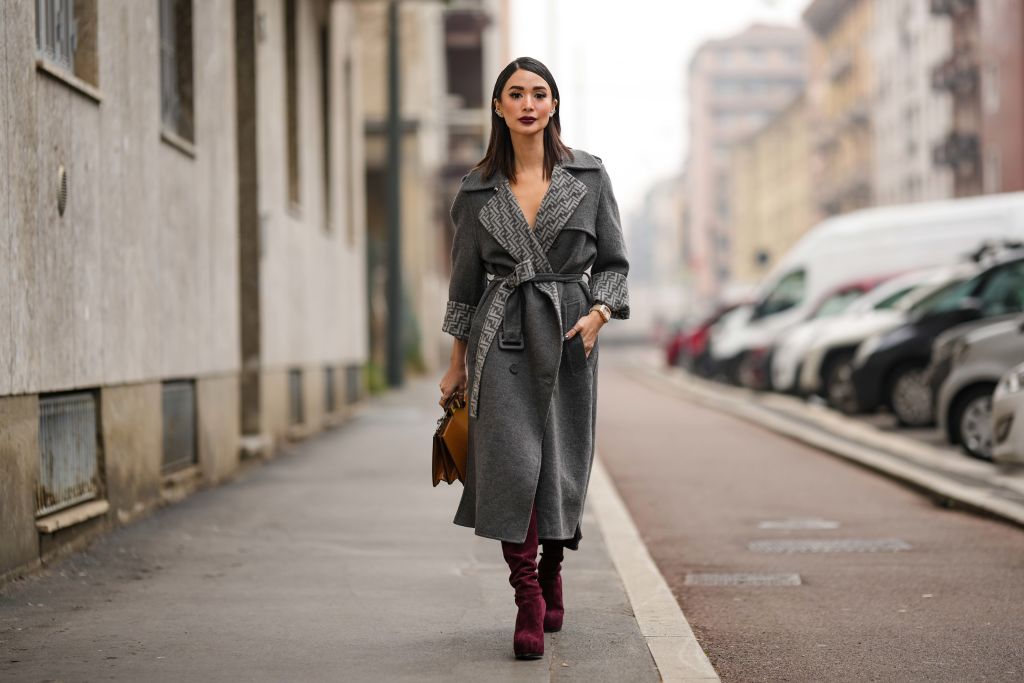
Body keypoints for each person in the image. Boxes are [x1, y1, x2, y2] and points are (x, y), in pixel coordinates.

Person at [438, 57, 630, 660]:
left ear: (552, 105)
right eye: (514, 94)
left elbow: (616, 268)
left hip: (571, 333)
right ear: (497, 107)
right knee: (511, 466)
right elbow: (464, 285)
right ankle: (526, 594)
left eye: (538, 93)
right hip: (502, 335)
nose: (527, 103)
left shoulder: (589, 176)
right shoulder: (476, 190)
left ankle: (551, 570)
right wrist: (455, 363)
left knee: (561, 465)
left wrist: (598, 316)